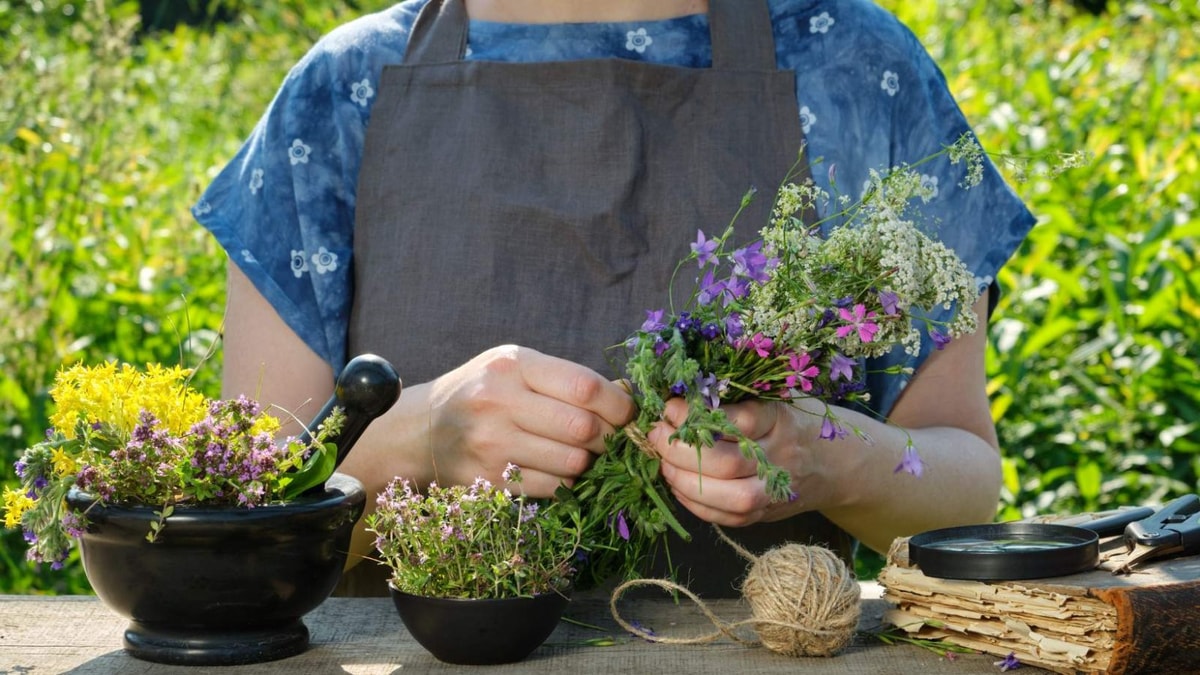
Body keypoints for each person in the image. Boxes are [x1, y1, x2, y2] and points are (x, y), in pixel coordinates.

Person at [194, 0, 1035, 597]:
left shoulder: (855, 70)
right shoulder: (338, 97)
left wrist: (830, 453)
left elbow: (964, 485)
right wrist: (414, 439)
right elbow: (232, 532)